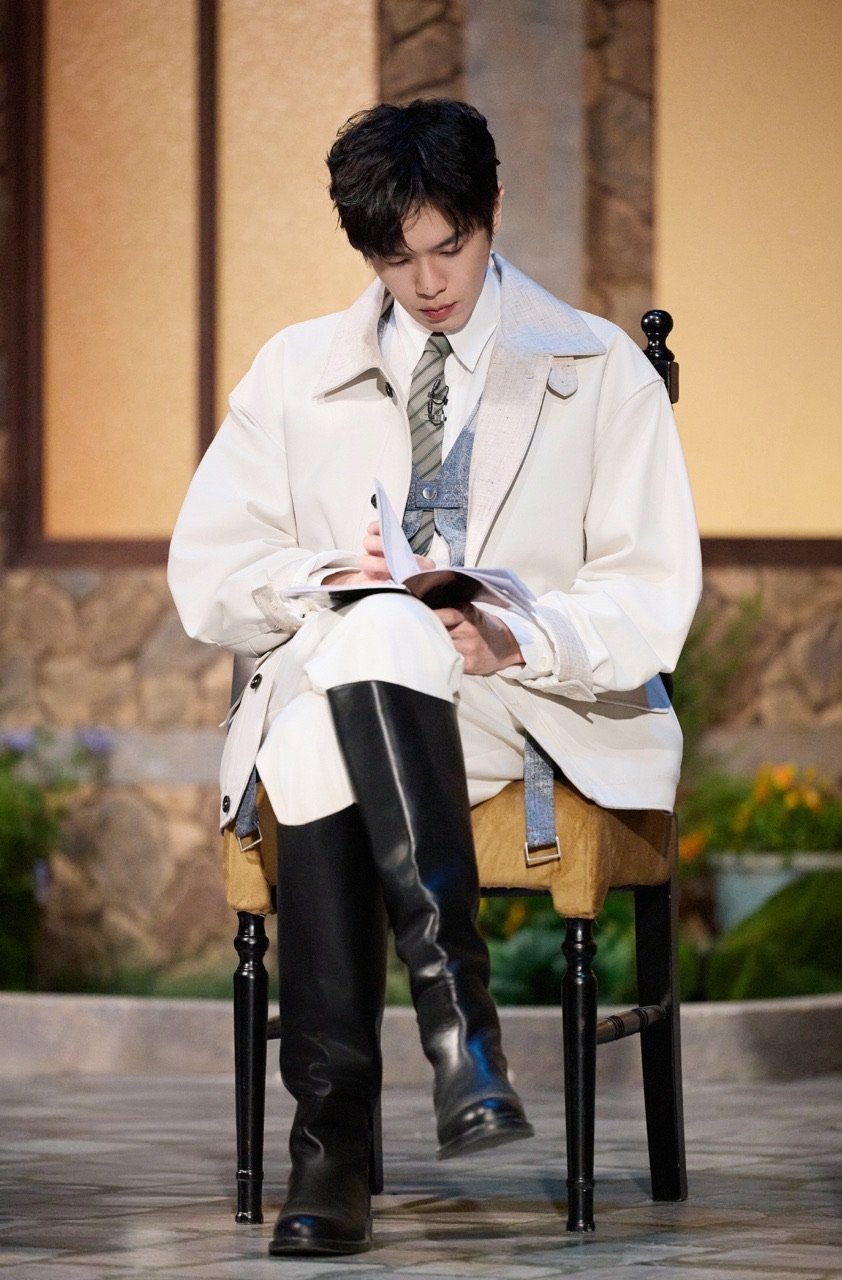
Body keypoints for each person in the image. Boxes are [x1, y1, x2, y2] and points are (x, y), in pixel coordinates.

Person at [168, 98, 701, 1257]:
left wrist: (513, 633)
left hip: (527, 711)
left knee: (340, 696)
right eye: (392, 257)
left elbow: (651, 592)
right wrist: (328, 577)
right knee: (366, 645)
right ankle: (460, 1035)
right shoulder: (292, 369)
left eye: (446, 247)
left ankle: (331, 1149)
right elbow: (206, 576)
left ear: (490, 208)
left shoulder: (599, 367)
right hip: (346, 703)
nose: (424, 283)